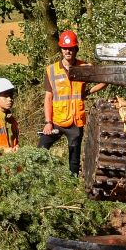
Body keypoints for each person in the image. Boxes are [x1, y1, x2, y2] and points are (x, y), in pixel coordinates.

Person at [37, 30, 91, 175]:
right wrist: (48, 122)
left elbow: (105, 80)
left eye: (71, 48)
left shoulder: (84, 67)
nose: (68, 51)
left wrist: (88, 92)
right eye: (65, 48)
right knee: (40, 149)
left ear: (76, 49)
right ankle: (37, 178)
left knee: (74, 160)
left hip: (75, 121)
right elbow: (48, 98)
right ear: (61, 49)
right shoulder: (51, 70)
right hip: (56, 120)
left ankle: (72, 188)